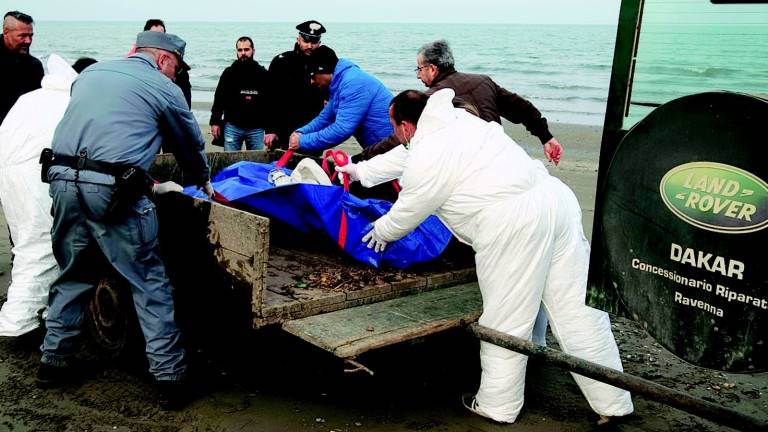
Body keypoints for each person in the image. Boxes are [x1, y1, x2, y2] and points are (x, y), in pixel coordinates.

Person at [338, 89, 633, 423]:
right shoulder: (456, 121)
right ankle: (615, 400)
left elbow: (413, 204)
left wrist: (382, 231)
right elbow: (407, 156)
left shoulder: (430, 149)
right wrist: (359, 171)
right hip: (555, 202)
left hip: (514, 221)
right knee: (579, 310)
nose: (396, 135)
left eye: (395, 129)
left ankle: (498, 405)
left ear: (405, 126)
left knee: (507, 318)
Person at [37, 31, 214, 411]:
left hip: (62, 179)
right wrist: (201, 181)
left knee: (73, 272)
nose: (175, 74)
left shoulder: (91, 74)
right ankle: (170, 379)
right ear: (166, 60)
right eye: (176, 67)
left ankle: (52, 362)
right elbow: (188, 145)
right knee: (149, 282)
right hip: (113, 190)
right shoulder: (163, 87)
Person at [0, 55, 94, 337]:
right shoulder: (70, 102)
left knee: (24, 243)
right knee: (41, 247)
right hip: (36, 179)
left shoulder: (30, 98)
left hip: (10, 176)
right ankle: (20, 323)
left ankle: (29, 314)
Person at [358, 40, 562, 165]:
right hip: (502, 157)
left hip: (466, 170)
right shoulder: (483, 81)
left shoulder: (432, 99)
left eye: (419, 69)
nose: (418, 76)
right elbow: (522, 109)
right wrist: (546, 137)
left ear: (432, 69)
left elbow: (401, 139)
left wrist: (361, 158)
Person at [288, 46, 393, 154]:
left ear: (323, 70)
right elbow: (325, 118)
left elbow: (342, 130)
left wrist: (302, 141)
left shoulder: (352, 83)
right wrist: (301, 132)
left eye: (313, 76)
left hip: (392, 146)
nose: (312, 82)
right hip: (378, 146)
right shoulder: (339, 81)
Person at [264, 20, 328, 149]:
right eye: (306, 41)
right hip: (283, 129)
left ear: (319, 43)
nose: (310, 46)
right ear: (298, 39)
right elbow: (268, 97)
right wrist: (270, 130)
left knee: (310, 166)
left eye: (314, 42)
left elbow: (330, 92)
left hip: (312, 130)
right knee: (279, 167)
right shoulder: (281, 62)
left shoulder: (326, 64)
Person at [210, 36, 270, 151]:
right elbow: (219, 99)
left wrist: (270, 130)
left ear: (253, 51)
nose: (243, 53)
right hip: (232, 127)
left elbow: (270, 103)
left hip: (256, 128)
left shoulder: (262, 74)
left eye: (246, 50)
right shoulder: (229, 73)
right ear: (236, 52)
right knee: (230, 162)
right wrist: (215, 122)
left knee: (254, 164)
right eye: (240, 50)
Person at [126, 19, 192, 108]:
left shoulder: (176, 66)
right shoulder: (134, 60)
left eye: (161, 35)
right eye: (153, 35)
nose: (157, 39)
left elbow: (185, 103)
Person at [1, 11, 43, 125]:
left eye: (31, 36)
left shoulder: (35, 65)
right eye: (22, 36)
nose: (28, 41)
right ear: (6, 32)